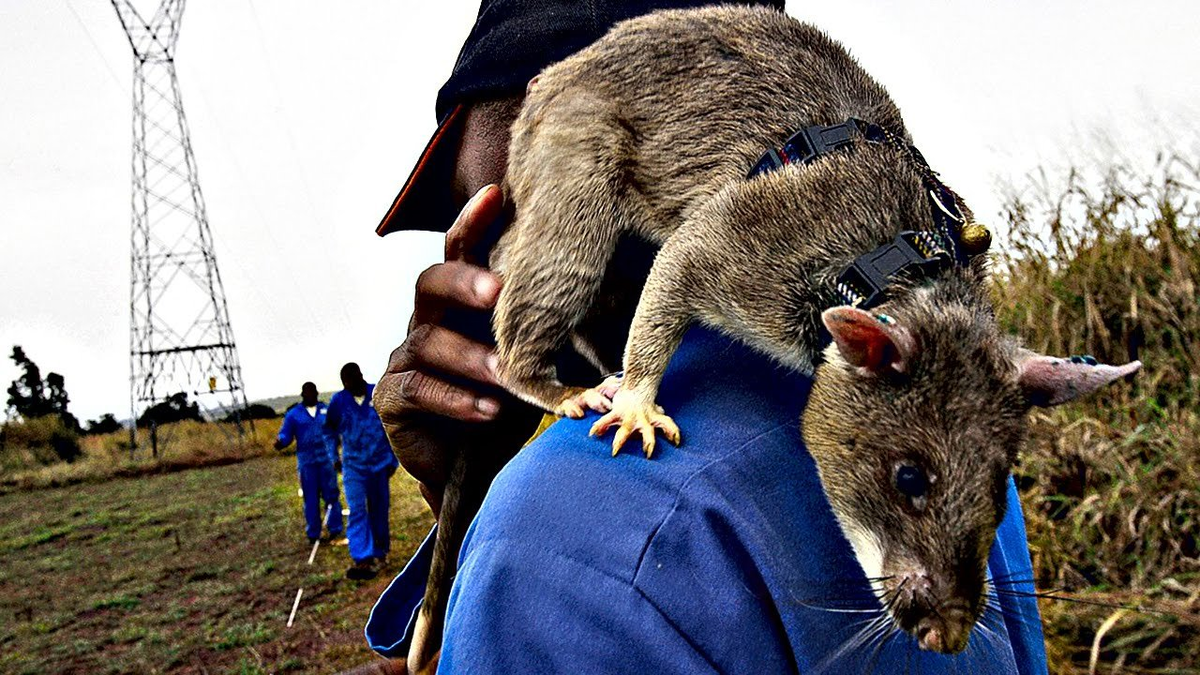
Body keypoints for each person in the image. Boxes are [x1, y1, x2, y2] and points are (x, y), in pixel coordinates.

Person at [357, 1, 1050, 673]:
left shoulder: (560, 535)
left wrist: (513, 533)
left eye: (499, 213)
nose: (472, 265)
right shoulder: (960, 426)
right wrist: (481, 493)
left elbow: (580, 571)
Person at [327, 363, 400, 581]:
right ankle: (362, 558)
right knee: (358, 509)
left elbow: (393, 426)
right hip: (354, 467)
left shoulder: (377, 393)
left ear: (361, 375)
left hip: (379, 464)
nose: (351, 384)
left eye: (354, 378)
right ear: (343, 383)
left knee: (379, 510)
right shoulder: (338, 402)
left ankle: (380, 552)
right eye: (346, 381)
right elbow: (329, 431)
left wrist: (393, 460)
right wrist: (334, 458)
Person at [274, 381, 344, 544]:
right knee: (310, 498)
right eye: (308, 392)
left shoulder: (326, 410)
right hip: (307, 463)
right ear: (303, 394)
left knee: (331, 495)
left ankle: (335, 528)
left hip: (327, 461)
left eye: (314, 392)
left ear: (317, 393)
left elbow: (337, 431)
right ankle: (314, 532)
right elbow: (286, 434)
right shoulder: (294, 414)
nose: (311, 395)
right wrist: (281, 441)